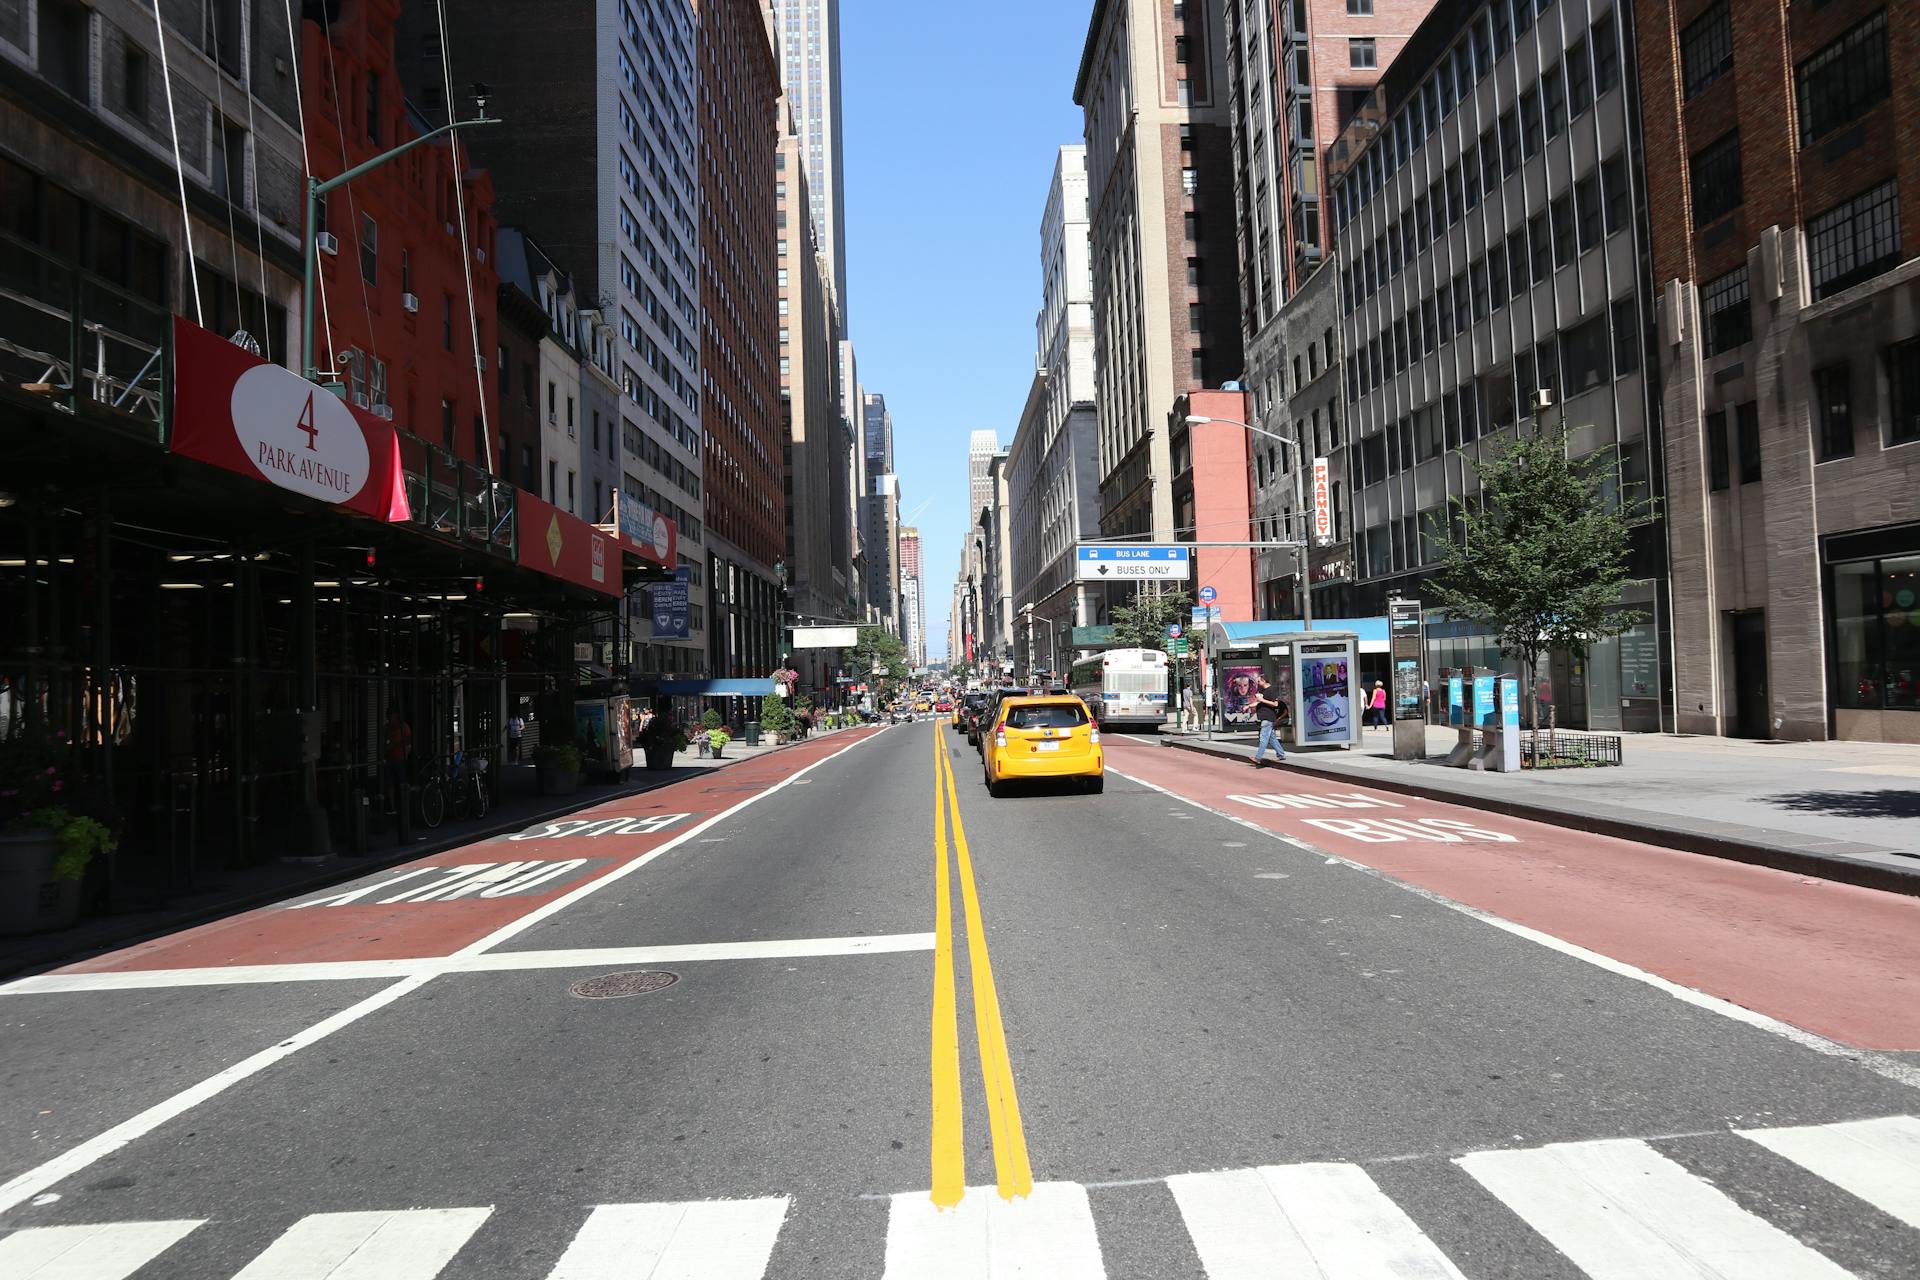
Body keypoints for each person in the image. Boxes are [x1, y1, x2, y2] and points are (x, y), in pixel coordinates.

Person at [1250, 674, 1286, 767]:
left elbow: (1275, 704)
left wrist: (1262, 700)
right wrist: (1249, 706)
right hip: (1264, 717)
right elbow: (1259, 702)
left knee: (1263, 738)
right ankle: (1281, 754)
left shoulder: (1271, 690)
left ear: (1264, 681)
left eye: (1259, 681)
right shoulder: (1263, 691)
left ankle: (1258, 758)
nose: (1258, 683)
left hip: (1268, 717)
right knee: (1272, 738)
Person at [382, 707, 412, 814]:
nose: (389, 718)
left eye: (391, 716)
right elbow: (384, 744)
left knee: (401, 783)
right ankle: (392, 806)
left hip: (400, 759)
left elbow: (408, 744)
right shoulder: (386, 728)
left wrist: (405, 756)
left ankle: (404, 806)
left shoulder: (404, 727)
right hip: (390, 759)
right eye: (388, 716)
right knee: (390, 783)